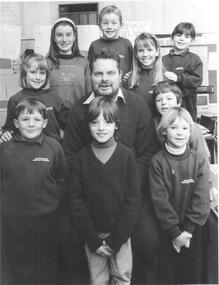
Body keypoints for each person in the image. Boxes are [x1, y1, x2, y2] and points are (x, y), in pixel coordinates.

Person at [63, 49, 160, 284]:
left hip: (130, 191)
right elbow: (71, 156)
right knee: (67, 238)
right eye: (98, 74)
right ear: (91, 76)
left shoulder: (137, 105)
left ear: (120, 74)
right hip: (90, 196)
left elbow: (147, 153)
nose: (104, 79)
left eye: (110, 73)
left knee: (148, 239)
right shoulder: (79, 110)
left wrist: (125, 185)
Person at [69, 96, 141, 284]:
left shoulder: (126, 157)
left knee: (122, 278)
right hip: (92, 235)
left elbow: (133, 201)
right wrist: (93, 240)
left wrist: (116, 239)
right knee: (97, 280)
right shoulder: (80, 159)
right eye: (95, 122)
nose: (101, 128)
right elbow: (76, 202)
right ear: (88, 126)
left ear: (116, 125)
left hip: (121, 235)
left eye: (107, 122)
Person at [0, 97, 68, 285]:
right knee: (18, 266)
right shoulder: (5, 148)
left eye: (37, 120)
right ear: (15, 123)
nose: (31, 124)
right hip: (14, 222)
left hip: (46, 221)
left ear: (45, 123)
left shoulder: (54, 147)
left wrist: (52, 201)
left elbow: (62, 178)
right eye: (25, 119)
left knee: (46, 267)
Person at [149, 106, 210, 284]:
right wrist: (175, 233)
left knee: (190, 275)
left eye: (185, 128)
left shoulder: (198, 159)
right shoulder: (157, 162)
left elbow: (202, 198)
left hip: (192, 230)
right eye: (174, 127)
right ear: (164, 131)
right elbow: (159, 200)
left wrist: (187, 231)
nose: (180, 133)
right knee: (166, 274)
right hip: (168, 229)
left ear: (191, 131)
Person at [0, 53, 69, 143]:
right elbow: (9, 127)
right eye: (33, 72)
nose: (37, 77)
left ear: (47, 76)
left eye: (42, 73)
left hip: (53, 150)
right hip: (25, 149)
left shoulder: (54, 98)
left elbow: (69, 123)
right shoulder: (15, 100)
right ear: (24, 74)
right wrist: (6, 133)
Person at [152, 80, 210, 161]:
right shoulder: (152, 125)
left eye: (169, 98)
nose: (164, 103)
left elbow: (203, 157)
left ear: (178, 102)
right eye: (159, 100)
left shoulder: (190, 125)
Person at [46, 17, 92, 108]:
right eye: (59, 35)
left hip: (79, 117)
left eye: (68, 35)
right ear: (54, 38)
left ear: (74, 37)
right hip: (54, 118)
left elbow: (90, 94)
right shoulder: (46, 63)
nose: (64, 39)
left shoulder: (84, 63)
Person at [162, 22, 203, 122]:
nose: (181, 39)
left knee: (187, 128)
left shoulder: (194, 59)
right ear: (172, 37)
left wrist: (178, 78)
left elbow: (197, 80)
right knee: (167, 127)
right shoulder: (163, 60)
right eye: (178, 35)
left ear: (192, 40)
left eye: (186, 36)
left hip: (187, 104)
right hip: (166, 103)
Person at [88, 5, 133, 85]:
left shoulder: (126, 44)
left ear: (121, 25)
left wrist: (131, 73)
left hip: (124, 89)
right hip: (101, 88)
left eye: (114, 23)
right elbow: (90, 70)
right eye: (105, 23)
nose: (109, 27)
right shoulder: (94, 45)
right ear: (99, 26)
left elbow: (135, 66)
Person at [126, 32, 164, 114]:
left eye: (150, 50)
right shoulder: (130, 79)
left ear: (157, 52)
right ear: (136, 54)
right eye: (141, 51)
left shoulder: (165, 77)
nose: (145, 54)